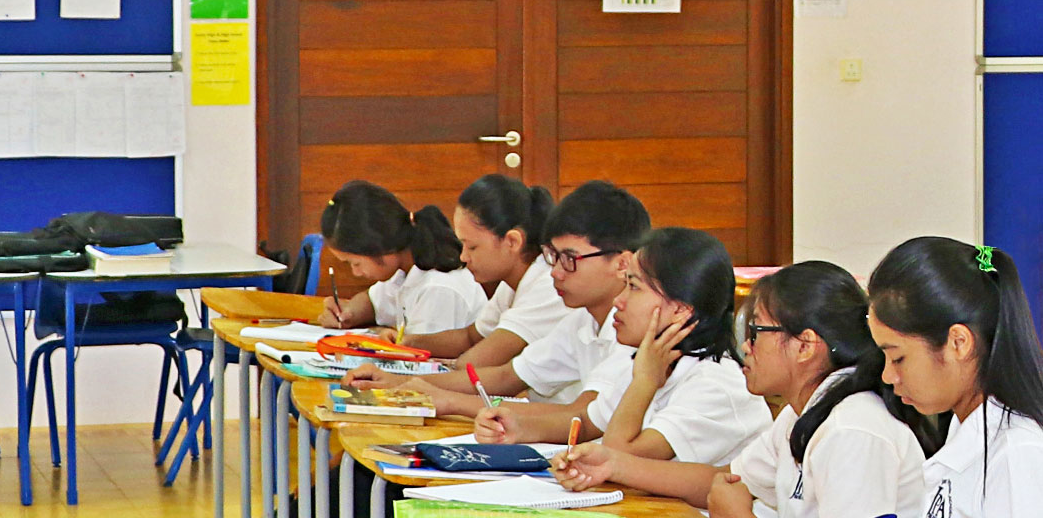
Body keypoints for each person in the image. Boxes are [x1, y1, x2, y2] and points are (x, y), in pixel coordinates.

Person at [551, 261, 937, 517]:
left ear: (805, 345)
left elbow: (729, 497)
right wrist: (612, 464)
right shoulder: (802, 413)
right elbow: (722, 481)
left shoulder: (853, 429)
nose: (745, 347)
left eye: (755, 332)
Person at [475, 228, 771, 465]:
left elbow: (620, 456)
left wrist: (644, 381)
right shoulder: (653, 359)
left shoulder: (717, 383)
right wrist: (518, 428)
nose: (619, 301)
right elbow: (590, 422)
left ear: (680, 310)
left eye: (634, 287)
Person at [345, 180, 648, 408]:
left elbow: (581, 418)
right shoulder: (581, 321)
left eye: (569, 259)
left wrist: (448, 400)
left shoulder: (632, 328)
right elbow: (506, 376)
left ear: (622, 263)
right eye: (553, 256)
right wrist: (401, 381)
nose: (556, 270)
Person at [865, 237, 1043, 518]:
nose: (888, 376)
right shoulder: (967, 430)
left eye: (898, 358)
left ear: (958, 343)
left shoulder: (1016, 454)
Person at [393, 174, 573, 366]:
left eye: (472, 247)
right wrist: (405, 342)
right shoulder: (511, 284)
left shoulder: (547, 285)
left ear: (512, 241)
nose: (463, 257)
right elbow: (469, 338)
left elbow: (473, 365)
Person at [315, 180, 485, 338]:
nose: (356, 272)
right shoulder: (403, 269)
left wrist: (378, 333)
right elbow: (372, 301)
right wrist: (348, 313)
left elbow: (422, 361)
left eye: (355, 263)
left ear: (380, 247)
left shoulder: (438, 288)